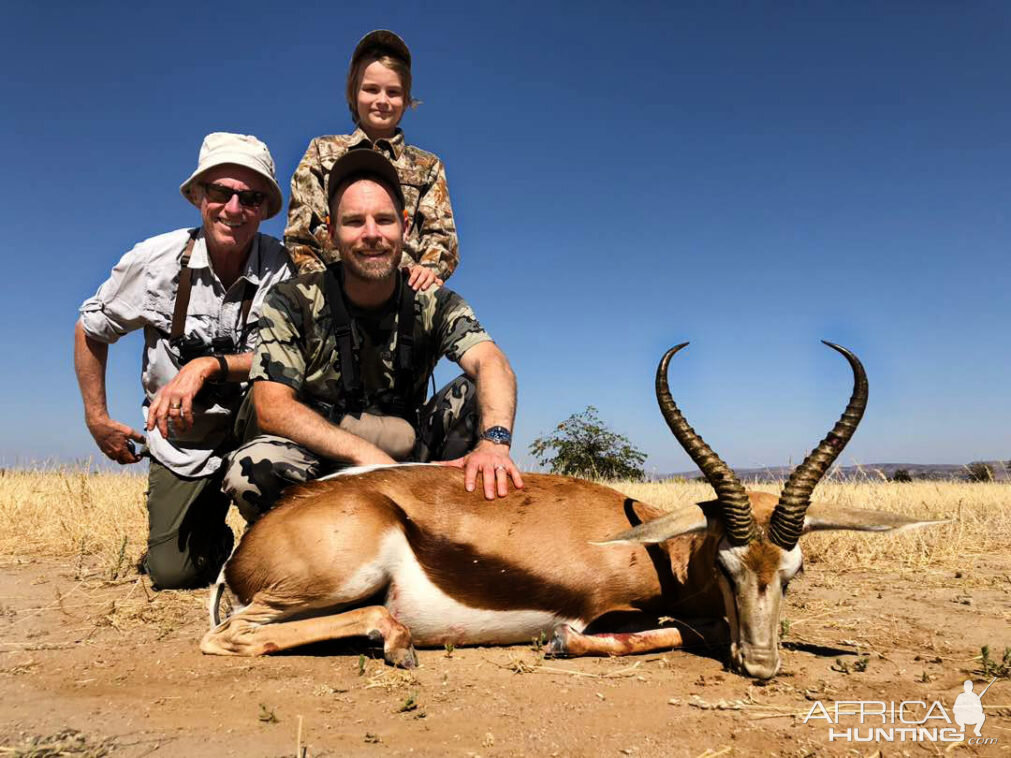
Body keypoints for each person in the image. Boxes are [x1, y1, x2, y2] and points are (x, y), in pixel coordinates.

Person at [223, 149, 521, 520]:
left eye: (384, 220)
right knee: (252, 469)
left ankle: (447, 526)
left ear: (405, 226)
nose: (371, 235)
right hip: (323, 460)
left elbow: (493, 361)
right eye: (354, 222)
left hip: (409, 461)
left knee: (477, 389)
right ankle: (306, 551)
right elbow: (272, 407)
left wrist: (494, 444)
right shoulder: (291, 300)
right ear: (331, 232)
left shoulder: (433, 300)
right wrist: (370, 460)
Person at [74, 133, 294, 590]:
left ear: (264, 209)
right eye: (221, 193)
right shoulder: (153, 260)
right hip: (185, 442)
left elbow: (293, 355)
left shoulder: (282, 268)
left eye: (250, 198)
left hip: (256, 431)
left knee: (275, 397)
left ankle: (276, 538)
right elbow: (91, 327)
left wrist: (207, 366)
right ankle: (216, 538)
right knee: (175, 572)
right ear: (198, 196)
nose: (234, 208)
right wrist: (97, 418)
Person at [285, 29, 458, 289]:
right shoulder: (321, 151)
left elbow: (441, 237)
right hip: (332, 296)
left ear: (406, 99)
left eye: (393, 92)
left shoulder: (428, 166)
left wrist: (427, 272)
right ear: (354, 93)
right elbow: (301, 233)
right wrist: (323, 290)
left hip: (406, 296)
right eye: (371, 89)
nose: (382, 101)